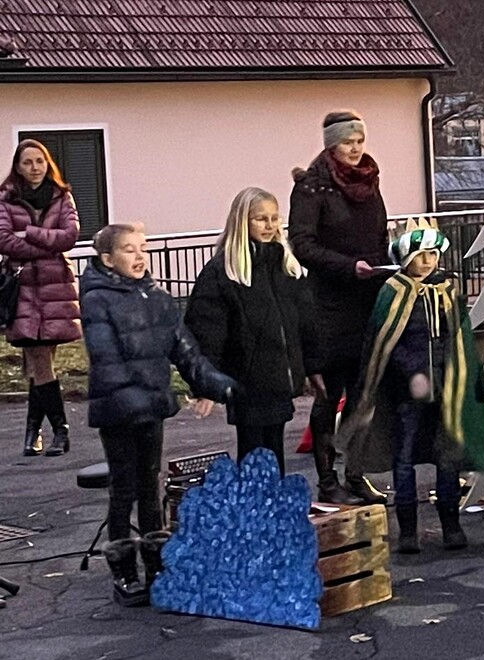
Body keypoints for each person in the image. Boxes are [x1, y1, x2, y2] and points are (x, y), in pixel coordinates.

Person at [80, 223, 235, 606]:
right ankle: (124, 571)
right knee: (124, 489)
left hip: (150, 408)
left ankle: (157, 566)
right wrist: (143, 395)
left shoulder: (158, 298)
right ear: (107, 259)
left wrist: (220, 386)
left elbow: (186, 352)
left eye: (142, 248)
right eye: (128, 250)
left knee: (151, 486)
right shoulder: (97, 299)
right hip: (119, 411)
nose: (139, 256)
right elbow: (106, 357)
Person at [339, 218, 484, 553]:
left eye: (433, 254)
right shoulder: (392, 292)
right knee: (404, 457)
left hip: (446, 390)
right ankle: (408, 530)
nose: (427, 261)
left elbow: (461, 341)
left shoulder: (448, 291)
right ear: (405, 257)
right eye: (420, 255)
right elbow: (381, 344)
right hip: (405, 393)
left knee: (447, 456)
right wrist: (410, 375)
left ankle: (451, 524)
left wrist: (461, 379)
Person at [288, 109, 391, 505]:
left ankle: (355, 473)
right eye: (348, 141)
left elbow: (378, 235)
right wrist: (349, 267)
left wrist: (389, 261)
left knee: (363, 396)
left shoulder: (369, 180)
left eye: (360, 140)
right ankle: (327, 479)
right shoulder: (312, 187)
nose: (355, 148)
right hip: (329, 306)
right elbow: (302, 244)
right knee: (329, 396)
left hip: (368, 300)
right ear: (332, 144)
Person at [185, 187, 318, 477]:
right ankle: (255, 503)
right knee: (254, 456)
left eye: (274, 218)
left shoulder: (285, 266)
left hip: (279, 380)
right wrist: (206, 386)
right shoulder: (223, 271)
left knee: (274, 455)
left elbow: (305, 324)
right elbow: (208, 332)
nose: (270, 225)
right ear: (242, 221)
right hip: (247, 383)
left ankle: (272, 502)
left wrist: (313, 368)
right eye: (260, 219)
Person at [0, 139, 81, 457]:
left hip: (55, 289)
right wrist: (47, 245)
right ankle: (61, 431)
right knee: (39, 360)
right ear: (17, 167)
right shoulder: (6, 199)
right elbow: (4, 240)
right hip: (22, 290)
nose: (34, 167)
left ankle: (33, 432)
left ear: (48, 164)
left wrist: (30, 234)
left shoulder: (62, 196)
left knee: (40, 364)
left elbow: (70, 236)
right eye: (27, 162)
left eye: (39, 161)